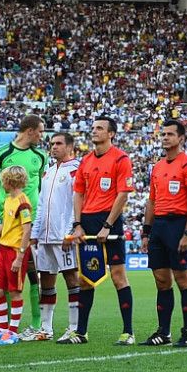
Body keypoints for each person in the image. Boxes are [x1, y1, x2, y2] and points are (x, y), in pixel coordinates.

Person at [69, 115, 135, 345]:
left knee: (119, 276)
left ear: (111, 134)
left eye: (100, 128)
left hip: (110, 221)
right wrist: (77, 225)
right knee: (85, 279)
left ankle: (128, 332)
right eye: (93, 127)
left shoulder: (121, 159)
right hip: (87, 222)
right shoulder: (85, 161)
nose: (94, 131)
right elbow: (78, 193)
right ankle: (81, 332)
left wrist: (108, 225)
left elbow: (123, 194)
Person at [143, 118, 187, 348]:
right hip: (159, 226)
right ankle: (163, 332)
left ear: (181, 138)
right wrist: (146, 232)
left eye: (170, 134)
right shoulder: (157, 167)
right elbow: (151, 200)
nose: (165, 137)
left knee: (182, 278)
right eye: (163, 134)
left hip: (178, 225)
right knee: (161, 280)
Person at [0, 115, 47, 333]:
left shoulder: (40, 156)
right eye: (41, 131)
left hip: (30, 221)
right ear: (30, 130)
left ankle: (36, 323)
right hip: (5, 220)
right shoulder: (0, 154)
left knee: (31, 273)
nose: (43, 135)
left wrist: (26, 210)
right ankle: (8, 327)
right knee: (3, 279)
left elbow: (39, 185)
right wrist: (5, 205)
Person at [34, 131, 81, 343]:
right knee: (46, 279)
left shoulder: (76, 171)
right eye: (52, 144)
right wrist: (35, 232)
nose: (54, 147)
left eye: (59, 144)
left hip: (63, 236)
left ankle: (75, 327)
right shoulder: (48, 172)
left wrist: (70, 231)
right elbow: (42, 205)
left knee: (71, 277)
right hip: (45, 236)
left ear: (70, 147)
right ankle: (46, 328)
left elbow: (76, 203)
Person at [0, 165, 33, 345]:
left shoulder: (23, 202)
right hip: (3, 249)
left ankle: (12, 332)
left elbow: (27, 229)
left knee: (15, 291)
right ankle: (4, 329)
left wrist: (20, 256)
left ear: (9, 181)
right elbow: (4, 226)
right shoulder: (8, 200)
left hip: (15, 250)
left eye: (3, 180)